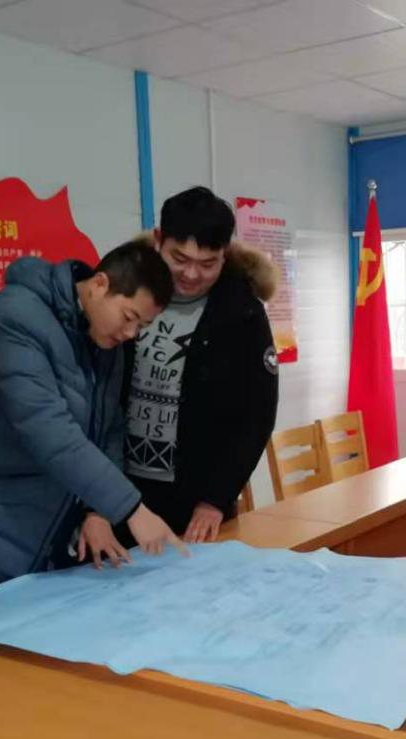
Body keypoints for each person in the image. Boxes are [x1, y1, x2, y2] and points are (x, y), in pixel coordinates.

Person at [0, 240, 185, 599]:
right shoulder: (14, 318)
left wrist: (97, 511)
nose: (130, 334)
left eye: (141, 326)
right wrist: (131, 509)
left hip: (48, 529)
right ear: (99, 284)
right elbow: (49, 431)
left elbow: (108, 428)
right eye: (129, 317)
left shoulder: (102, 336)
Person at [121, 186, 279, 545]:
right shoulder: (127, 290)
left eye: (208, 264)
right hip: (125, 495)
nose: (191, 274)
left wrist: (216, 499)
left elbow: (258, 415)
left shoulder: (242, 311)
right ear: (158, 240)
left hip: (199, 503)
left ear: (225, 254)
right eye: (179, 258)